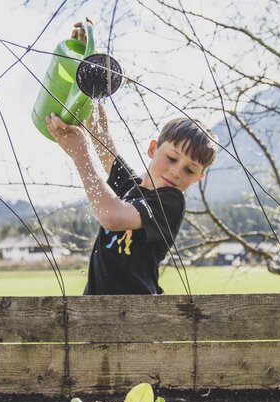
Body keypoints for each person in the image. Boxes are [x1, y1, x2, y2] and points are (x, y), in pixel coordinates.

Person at [45, 24, 218, 295]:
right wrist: (86, 66)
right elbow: (101, 135)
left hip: (138, 318)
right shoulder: (132, 188)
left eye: (189, 169)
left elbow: (111, 216)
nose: (176, 172)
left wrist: (79, 153)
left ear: (198, 177)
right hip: (99, 314)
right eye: (172, 158)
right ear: (153, 149)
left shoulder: (170, 204)